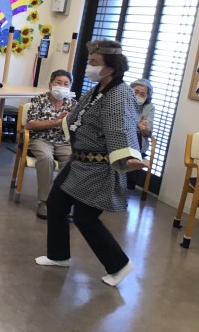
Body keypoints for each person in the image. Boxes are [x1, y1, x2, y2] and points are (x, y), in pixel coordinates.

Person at [35, 40, 146, 287]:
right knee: (56, 204)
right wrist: (65, 121)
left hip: (99, 168)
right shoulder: (99, 89)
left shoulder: (119, 94)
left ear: (110, 67)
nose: (89, 67)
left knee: (85, 218)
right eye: (89, 61)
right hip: (78, 162)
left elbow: (121, 127)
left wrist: (128, 156)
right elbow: (77, 116)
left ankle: (119, 265)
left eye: (94, 63)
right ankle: (58, 255)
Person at [26, 69, 76, 219]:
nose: (62, 86)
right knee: (46, 159)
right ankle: (44, 201)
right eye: (58, 82)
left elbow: (77, 127)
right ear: (50, 85)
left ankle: (63, 201)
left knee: (72, 162)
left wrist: (67, 124)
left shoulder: (73, 104)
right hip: (41, 139)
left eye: (66, 84)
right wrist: (55, 122)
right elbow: (30, 124)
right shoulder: (40, 99)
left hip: (63, 142)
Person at [127, 78, 155, 190]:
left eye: (142, 94)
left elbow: (148, 132)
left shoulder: (149, 108)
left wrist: (142, 128)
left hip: (137, 142)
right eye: (136, 92)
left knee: (135, 137)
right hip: (120, 137)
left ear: (147, 97)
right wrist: (135, 124)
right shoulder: (123, 102)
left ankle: (126, 185)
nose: (138, 95)